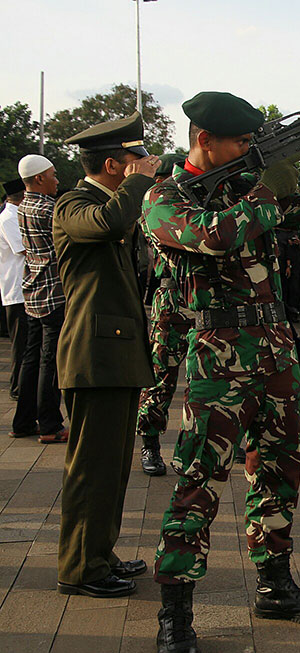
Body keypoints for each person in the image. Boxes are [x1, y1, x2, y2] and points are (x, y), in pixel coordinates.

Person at [141, 91, 300, 653]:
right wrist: (270, 185)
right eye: (241, 142)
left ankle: (275, 584)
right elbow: (216, 237)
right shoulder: (165, 197)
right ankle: (176, 613)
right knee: (199, 478)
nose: (249, 150)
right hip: (218, 356)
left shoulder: (246, 187)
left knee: (281, 466)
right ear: (204, 140)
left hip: (275, 349)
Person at [50, 112, 160, 598]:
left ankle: (99, 553)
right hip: (93, 355)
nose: (146, 163)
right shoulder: (73, 203)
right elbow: (107, 222)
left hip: (113, 354)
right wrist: (138, 187)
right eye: (137, 158)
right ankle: (79, 568)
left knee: (112, 467)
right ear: (116, 165)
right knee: (91, 468)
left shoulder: (112, 202)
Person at [136, 153, 190, 477]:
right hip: (170, 301)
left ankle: (192, 447)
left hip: (200, 301)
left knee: (202, 381)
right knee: (161, 378)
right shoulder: (154, 210)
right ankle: (150, 443)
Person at [13, 154, 67, 443]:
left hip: (32, 290)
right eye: (53, 175)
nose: (57, 180)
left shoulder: (22, 206)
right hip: (53, 291)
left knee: (30, 358)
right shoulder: (50, 208)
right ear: (38, 179)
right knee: (51, 360)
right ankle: (49, 423)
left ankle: (23, 421)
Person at [1, 178, 27, 399]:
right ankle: (17, 387)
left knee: (26, 344)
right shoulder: (8, 218)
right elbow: (22, 248)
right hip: (17, 289)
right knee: (20, 345)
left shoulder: (14, 215)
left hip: (23, 288)